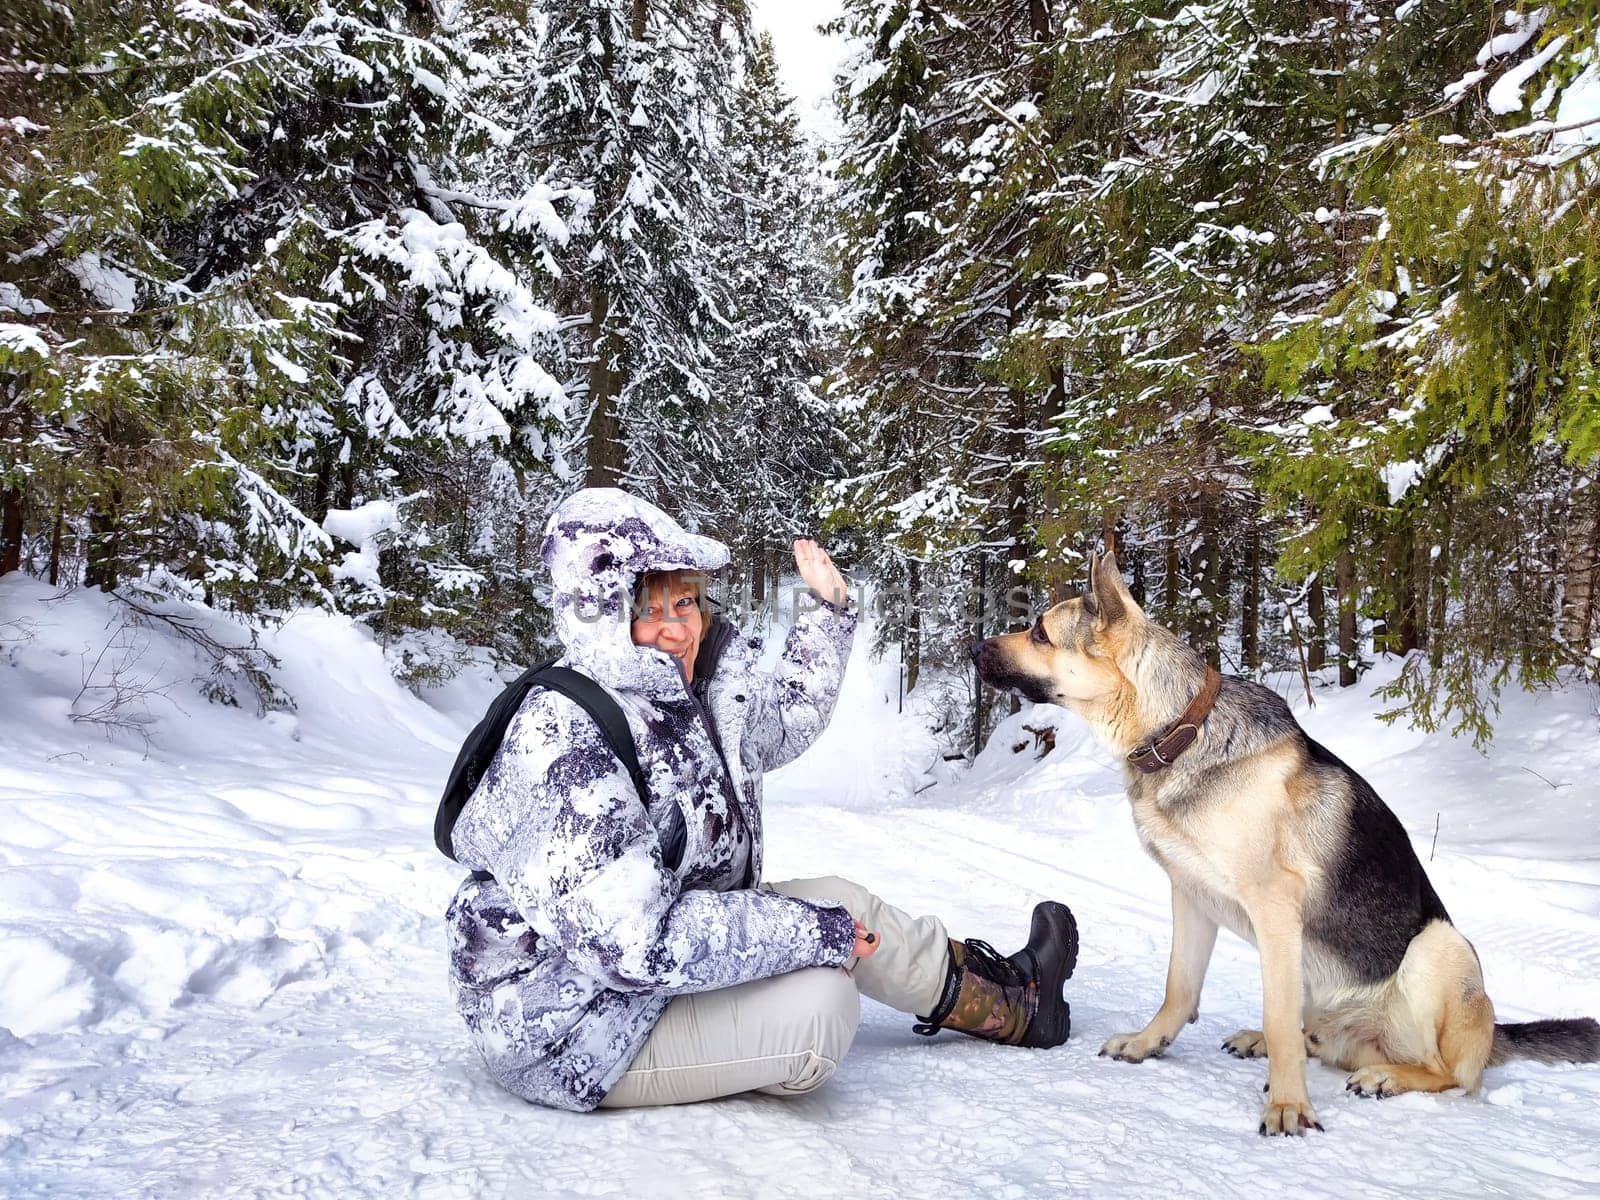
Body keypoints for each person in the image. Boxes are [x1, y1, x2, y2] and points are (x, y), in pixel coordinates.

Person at [445, 488, 1078, 1111]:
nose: (678, 629)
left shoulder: (685, 694)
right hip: (575, 1028)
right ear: (601, 615)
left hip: (650, 980)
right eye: (649, 608)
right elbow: (634, 944)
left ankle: (1019, 1005)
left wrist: (826, 616)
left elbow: (779, 725)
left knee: (845, 900)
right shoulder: (561, 736)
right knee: (821, 1005)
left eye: (687, 602)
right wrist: (816, 934)